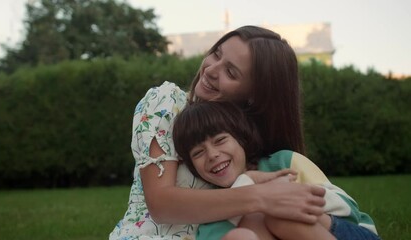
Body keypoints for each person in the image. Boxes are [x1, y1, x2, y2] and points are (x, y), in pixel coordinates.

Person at [109, 25, 327, 240]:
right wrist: (260, 197)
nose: (211, 70)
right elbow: (161, 204)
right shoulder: (168, 103)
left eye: (230, 72)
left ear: (254, 95)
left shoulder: (246, 140)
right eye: (216, 54)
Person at [172, 101, 380, 240]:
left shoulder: (284, 161)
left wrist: (293, 197)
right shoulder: (212, 205)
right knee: (241, 235)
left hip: (346, 232)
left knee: (279, 215)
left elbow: (349, 209)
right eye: (198, 153)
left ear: (241, 138)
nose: (212, 154)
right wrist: (248, 182)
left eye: (220, 140)